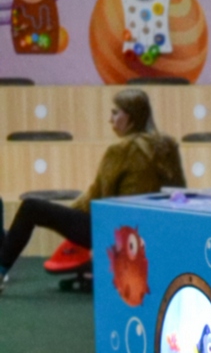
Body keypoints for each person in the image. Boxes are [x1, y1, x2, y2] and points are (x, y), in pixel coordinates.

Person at [0, 86, 184, 289]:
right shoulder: (168, 145)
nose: (110, 119)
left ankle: (1, 270)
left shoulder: (120, 150)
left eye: (115, 113)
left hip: (116, 230)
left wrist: (67, 217)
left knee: (31, 208)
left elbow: (99, 197)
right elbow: (177, 189)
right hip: (154, 229)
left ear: (131, 117)